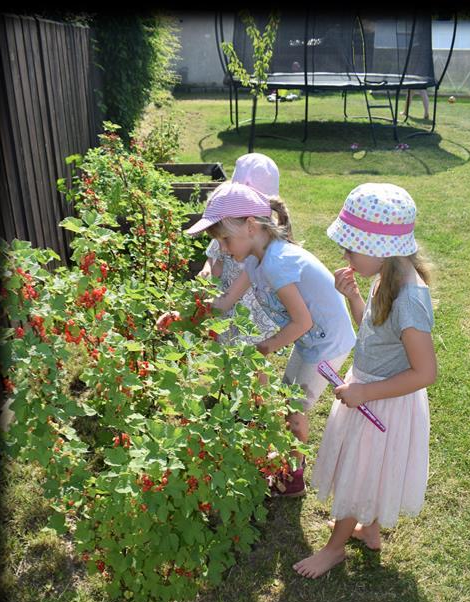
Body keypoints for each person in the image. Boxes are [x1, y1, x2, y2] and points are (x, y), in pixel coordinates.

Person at [158, 181, 356, 497]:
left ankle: (292, 480)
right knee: (287, 399)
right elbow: (224, 302)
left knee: (295, 409)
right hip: (311, 340)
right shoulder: (254, 259)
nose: (222, 248)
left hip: (328, 341)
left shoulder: (277, 262)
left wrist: (263, 348)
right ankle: (288, 466)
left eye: (224, 238)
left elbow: (302, 321)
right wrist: (181, 315)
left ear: (251, 226)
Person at [293, 182, 437, 578]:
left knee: (359, 469)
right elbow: (373, 334)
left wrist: (365, 392)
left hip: (384, 398)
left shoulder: (410, 298)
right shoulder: (386, 277)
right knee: (365, 466)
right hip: (369, 389)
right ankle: (368, 529)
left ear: (379, 248)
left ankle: (334, 548)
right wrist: (354, 298)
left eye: (351, 247)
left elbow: (425, 372)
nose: (345, 254)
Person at [197, 153, 279, 346]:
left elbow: (229, 299)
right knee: (225, 349)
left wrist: (191, 310)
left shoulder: (262, 249)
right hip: (225, 303)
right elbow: (214, 258)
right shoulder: (228, 228)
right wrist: (208, 271)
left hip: (251, 314)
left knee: (254, 358)